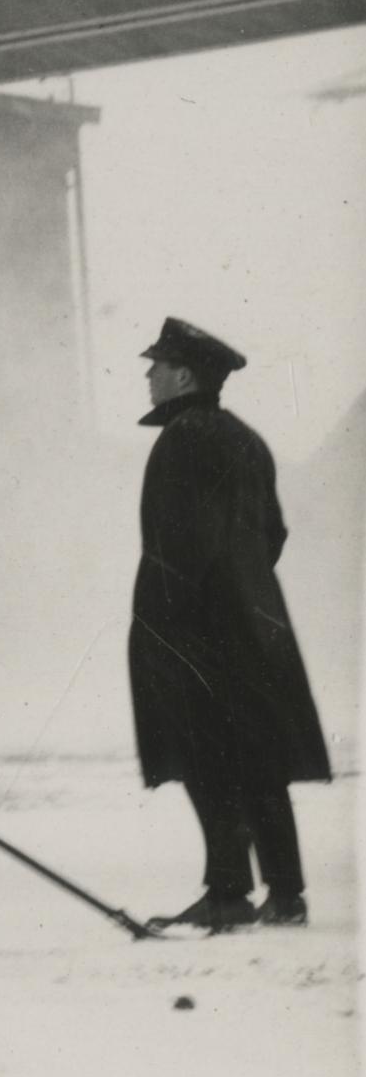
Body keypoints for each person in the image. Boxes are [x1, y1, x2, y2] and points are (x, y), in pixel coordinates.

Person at [126, 317, 334, 930]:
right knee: (259, 756)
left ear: (184, 375)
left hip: (193, 627)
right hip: (256, 621)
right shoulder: (246, 439)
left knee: (205, 755)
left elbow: (174, 543)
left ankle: (227, 891)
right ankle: (287, 893)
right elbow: (272, 534)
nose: (147, 374)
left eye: (157, 365)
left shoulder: (180, 439)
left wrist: (166, 628)